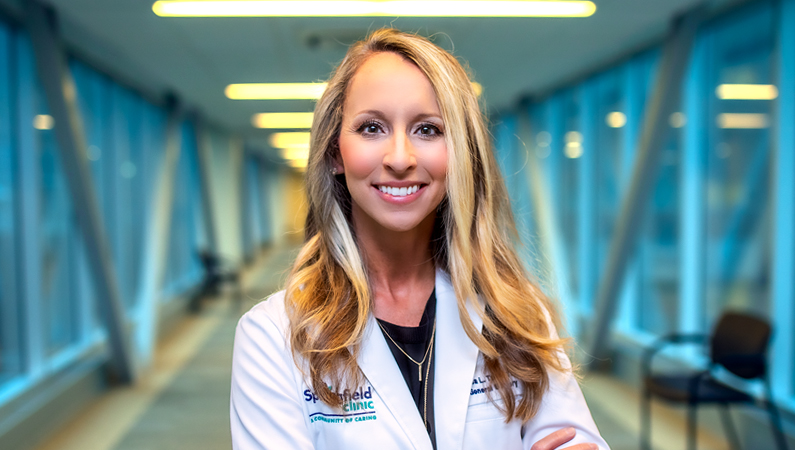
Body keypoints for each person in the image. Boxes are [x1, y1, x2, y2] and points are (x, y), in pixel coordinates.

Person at [230, 28, 609, 450]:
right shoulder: (272, 337)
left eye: (427, 130)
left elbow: (578, 443)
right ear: (335, 153)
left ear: (460, 154)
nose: (399, 159)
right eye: (371, 128)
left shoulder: (516, 312)